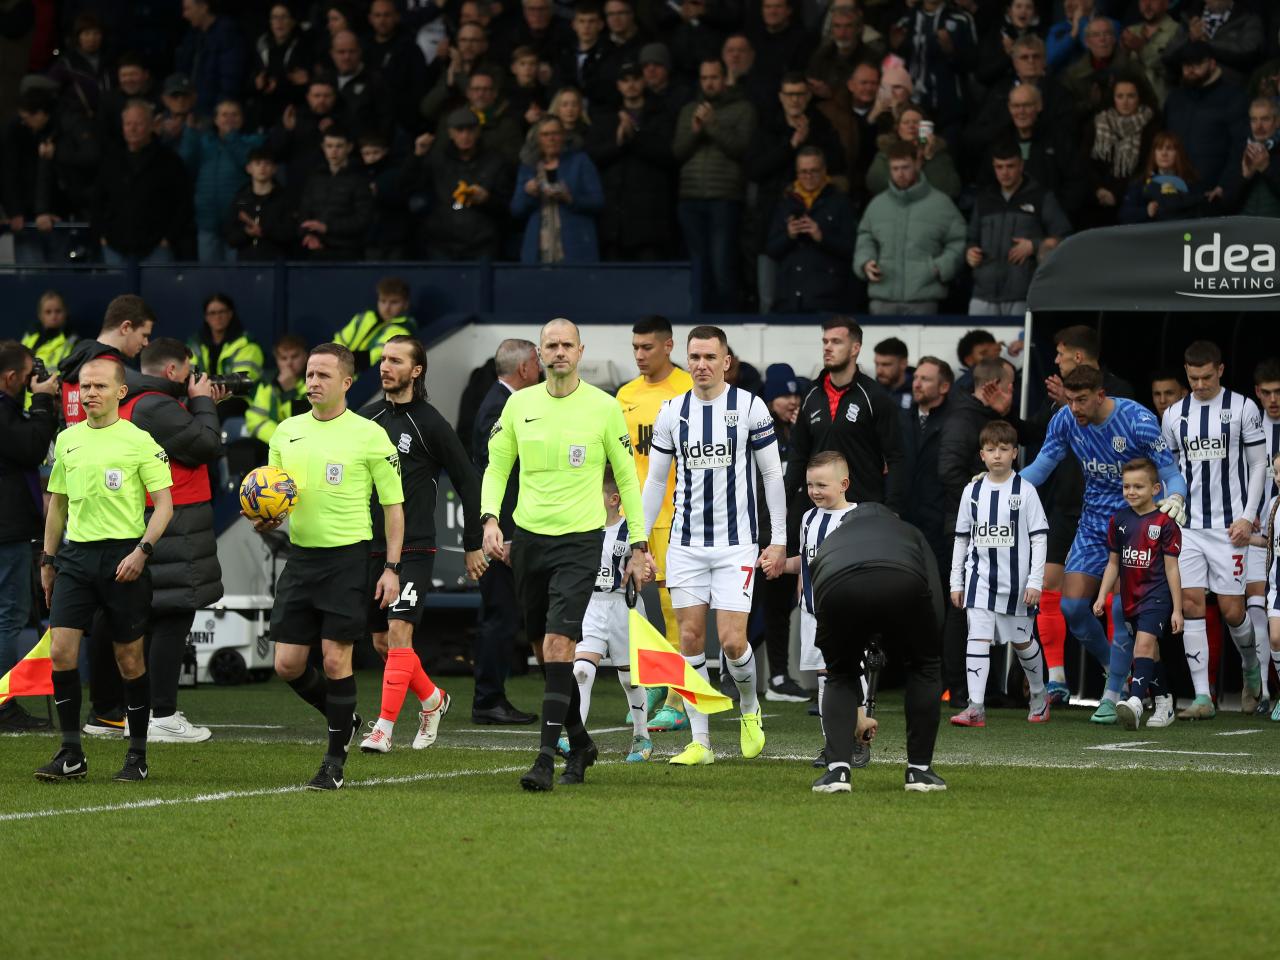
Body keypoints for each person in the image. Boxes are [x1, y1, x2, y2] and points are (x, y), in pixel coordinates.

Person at [480, 318, 650, 791]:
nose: (558, 353)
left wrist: (638, 546)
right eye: (550, 345)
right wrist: (490, 519)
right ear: (539, 353)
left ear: (580, 351)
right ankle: (581, 741)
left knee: (559, 647)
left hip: (580, 541)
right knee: (544, 651)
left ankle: (543, 760)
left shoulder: (603, 407)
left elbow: (628, 480)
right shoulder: (519, 405)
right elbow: (497, 467)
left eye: (566, 345)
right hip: (528, 540)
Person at [251, 343, 405, 791]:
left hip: (347, 559)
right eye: (310, 374)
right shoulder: (285, 433)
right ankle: (346, 719)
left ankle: (333, 763)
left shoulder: (369, 435)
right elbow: (273, 499)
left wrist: (391, 567)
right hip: (300, 558)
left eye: (322, 375)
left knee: (337, 658)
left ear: (346, 383)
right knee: (288, 664)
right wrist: (265, 518)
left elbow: (394, 507)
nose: (313, 382)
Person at [638, 324, 785, 767]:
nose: (701, 365)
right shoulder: (671, 412)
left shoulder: (750, 408)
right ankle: (701, 741)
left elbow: (772, 476)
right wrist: (638, 542)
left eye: (709, 357)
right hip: (684, 545)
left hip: (736, 544)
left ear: (726, 362)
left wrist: (778, 539)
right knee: (689, 638)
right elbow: (657, 481)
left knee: (733, 642)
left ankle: (748, 707)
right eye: (694, 357)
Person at [1019, 365, 1187, 723]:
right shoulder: (1065, 420)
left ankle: (1112, 694)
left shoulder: (1137, 420)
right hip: (1094, 524)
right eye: (1069, 399)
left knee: (1120, 611)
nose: (1074, 408)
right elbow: (1041, 466)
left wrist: (1176, 498)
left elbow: (1170, 472)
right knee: (1073, 607)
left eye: (1081, 400)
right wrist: (1000, 488)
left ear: (1100, 395)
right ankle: (1117, 667)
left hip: (1137, 525)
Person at [36, 356, 174, 782]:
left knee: (129, 659)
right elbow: (57, 504)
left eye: (99, 386)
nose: (90, 393)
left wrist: (142, 551)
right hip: (76, 559)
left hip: (124, 558)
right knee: (61, 652)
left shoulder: (139, 441)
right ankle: (71, 753)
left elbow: (165, 505)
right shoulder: (68, 440)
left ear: (120, 392)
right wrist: (48, 558)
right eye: (84, 387)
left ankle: (137, 756)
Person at [357, 336, 485, 753]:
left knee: (398, 633)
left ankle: (383, 729)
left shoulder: (430, 424)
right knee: (381, 642)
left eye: (395, 360)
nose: (384, 367)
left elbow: (469, 482)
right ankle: (432, 699)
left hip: (413, 547)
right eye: (382, 360)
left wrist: (472, 543)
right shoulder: (366, 419)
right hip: (369, 546)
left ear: (416, 371)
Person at [118, 338, 226, 743]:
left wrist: (210, 404)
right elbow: (206, 445)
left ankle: (135, 713)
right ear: (172, 371)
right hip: (172, 520)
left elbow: (186, 441)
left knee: (156, 616)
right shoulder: (154, 404)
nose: (191, 379)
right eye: (188, 371)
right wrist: (203, 403)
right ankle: (159, 713)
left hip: (155, 517)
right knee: (172, 616)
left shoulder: (139, 399)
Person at [808, 499, 947, 793]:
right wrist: (928, 650)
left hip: (838, 588)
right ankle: (919, 772)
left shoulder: (834, 536)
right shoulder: (909, 532)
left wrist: (836, 652)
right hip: (902, 579)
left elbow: (818, 591)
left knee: (840, 674)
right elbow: (934, 588)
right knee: (925, 666)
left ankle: (837, 773)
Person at [1161, 341, 1267, 720]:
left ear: (1220, 371)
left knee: (1232, 610)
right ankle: (1202, 697)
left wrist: (1247, 516)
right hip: (1189, 527)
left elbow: (1259, 466)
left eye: (1207, 376)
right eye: (1193, 378)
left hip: (1229, 528)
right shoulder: (1174, 414)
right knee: (1190, 604)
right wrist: (1171, 507)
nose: (1200, 383)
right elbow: (1169, 467)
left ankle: (1251, 667)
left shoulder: (1243, 408)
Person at [615, 316, 694, 733]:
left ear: (668, 346)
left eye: (647, 347)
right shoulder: (624, 395)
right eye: (635, 348)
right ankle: (660, 684)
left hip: (677, 518)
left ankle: (681, 701)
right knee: (639, 612)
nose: (640, 355)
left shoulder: (687, 389)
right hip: (635, 521)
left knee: (675, 611)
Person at [948, 420, 1050, 728]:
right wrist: (956, 581)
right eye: (991, 449)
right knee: (976, 638)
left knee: (1022, 642)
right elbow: (962, 538)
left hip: (1016, 584)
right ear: (981, 454)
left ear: (1015, 453)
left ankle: (1039, 695)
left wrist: (1035, 581)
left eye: (1003, 449)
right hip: (980, 580)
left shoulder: (1026, 491)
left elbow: (1039, 537)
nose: (997, 455)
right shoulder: (973, 491)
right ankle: (975, 707)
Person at [471, 338, 542, 726]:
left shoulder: (500, 403)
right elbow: (494, 475)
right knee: (499, 616)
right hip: (501, 536)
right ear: (526, 368)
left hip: (505, 531)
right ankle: (488, 699)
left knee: (504, 616)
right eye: (538, 363)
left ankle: (490, 697)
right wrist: (501, 531)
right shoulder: (499, 408)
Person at [566, 466, 654, 762]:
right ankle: (575, 736)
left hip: (623, 607)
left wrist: (647, 568)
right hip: (592, 605)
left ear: (614, 499)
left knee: (630, 679)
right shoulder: (583, 527)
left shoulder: (631, 530)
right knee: (581, 671)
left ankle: (642, 737)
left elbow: (646, 562)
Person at [786, 317, 907, 527]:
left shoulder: (874, 396)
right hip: (818, 510)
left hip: (864, 510)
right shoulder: (812, 394)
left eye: (836, 342)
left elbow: (896, 457)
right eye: (825, 342)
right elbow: (798, 454)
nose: (828, 348)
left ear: (855, 348)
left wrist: (893, 508)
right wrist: (783, 501)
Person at [1095, 458, 1183, 730]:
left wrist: (1177, 609)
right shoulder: (1119, 520)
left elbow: (1172, 569)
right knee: (1151, 653)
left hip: (1157, 598)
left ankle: (1134, 701)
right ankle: (1164, 702)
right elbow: (1113, 563)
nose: (1131, 492)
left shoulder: (1165, 523)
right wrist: (1101, 596)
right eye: (1126, 487)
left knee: (1142, 647)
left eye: (1138, 487)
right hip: (1130, 598)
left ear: (1156, 488)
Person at [782, 452, 857, 766]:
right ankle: (833, 745)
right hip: (813, 613)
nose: (814, 491)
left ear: (844, 484)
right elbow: (806, 561)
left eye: (821, 485)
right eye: (810, 484)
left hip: (846, 615)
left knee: (849, 678)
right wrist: (782, 565)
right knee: (825, 679)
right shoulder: (808, 518)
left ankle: (855, 739)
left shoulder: (857, 518)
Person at [0, 341, 59, 731]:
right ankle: (3, 706)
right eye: (26, 376)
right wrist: (42, 404)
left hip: (8, 528)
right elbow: (32, 447)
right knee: (9, 616)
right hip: (7, 530)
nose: (31, 381)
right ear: (10, 378)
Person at [673, 57, 758, 312]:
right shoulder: (689, 109)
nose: (709, 83)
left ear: (725, 78)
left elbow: (742, 148)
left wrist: (713, 125)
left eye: (714, 77)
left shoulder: (743, 108)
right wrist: (696, 131)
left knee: (722, 263)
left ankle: (727, 319)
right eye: (705, 78)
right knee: (698, 264)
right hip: (690, 196)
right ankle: (698, 317)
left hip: (725, 197)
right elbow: (678, 151)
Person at [853, 141, 966, 315]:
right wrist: (866, 262)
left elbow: (959, 241)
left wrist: (939, 267)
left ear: (918, 164)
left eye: (905, 167)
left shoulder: (941, 204)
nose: (900, 174)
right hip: (882, 297)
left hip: (924, 299)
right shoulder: (877, 205)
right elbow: (865, 238)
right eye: (895, 168)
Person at [965, 140, 1071, 317]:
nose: (1004, 172)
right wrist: (970, 252)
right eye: (999, 167)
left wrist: (1035, 245)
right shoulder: (984, 199)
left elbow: (1065, 238)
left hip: (1023, 295)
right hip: (983, 295)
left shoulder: (1041, 197)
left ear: (1021, 165)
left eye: (1010, 166)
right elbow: (971, 239)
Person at [585, 62, 678, 261]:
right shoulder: (606, 118)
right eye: (625, 80)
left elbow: (668, 154)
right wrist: (618, 144)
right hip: (614, 221)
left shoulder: (660, 115)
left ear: (644, 81)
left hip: (650, 219)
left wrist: (634, 137)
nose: (630, 85)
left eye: (635, 79)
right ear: (618, 85)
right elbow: (592, 156)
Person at [93, 100, 194, 265]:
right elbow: (97, 201)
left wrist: (169, 238)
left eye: (138, 124)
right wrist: (102, 235)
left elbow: (183, 203)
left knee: (158, 290)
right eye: (128, 124)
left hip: (157, 248)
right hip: (114, 246)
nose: (132, 129)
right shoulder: (111, 160)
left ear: (151, 125)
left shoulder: (169, 161)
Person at [765, 146, 855, 314]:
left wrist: (821, 237)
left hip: (827, 300)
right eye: (803, 172)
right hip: (789, 300)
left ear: (824, 171)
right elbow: (771, 249)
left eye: (814, 171)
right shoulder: (785, 203)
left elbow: (851, 248)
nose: (808, 177)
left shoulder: (840, 202)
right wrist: (789, 235)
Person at [177, 99, 265, 263]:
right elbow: (183, 164)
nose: (229, 119)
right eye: (224, 115)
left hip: (238, 222)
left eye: (234, 114)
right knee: (209, 277)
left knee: (235, 277)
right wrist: (189, 133)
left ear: (242, 119)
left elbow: (248, 162)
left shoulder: (252, 142)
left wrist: (231, 137)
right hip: (207, 220)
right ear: (216, 120)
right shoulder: (204, 142)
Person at [511, 115, 605, 263]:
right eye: (545, 134)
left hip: (576, 246)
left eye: (555, 133)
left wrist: (570, 199)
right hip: (538, 249)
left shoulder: (580, 161)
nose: (551, 138)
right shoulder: (528, 167)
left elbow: (598, 202)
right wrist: (528, 194)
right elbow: (516, 210)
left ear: (563, 136)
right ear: (538, 139)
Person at [1163, 42, 1249, 195]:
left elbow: (1240, 146)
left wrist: (1225, 185)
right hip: (1173, 189)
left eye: (1196, 63)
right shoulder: (1174, 98)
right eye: (1186, 64)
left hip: (1212, 192)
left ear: (1212, 63)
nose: (1190, 70)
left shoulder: (1233, 97)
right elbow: (1163, 140)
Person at [1084, 78, 1158, 229]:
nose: (1125, 102)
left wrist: (1117, 194)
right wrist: (1098, 189)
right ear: (1113, 98)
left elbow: (1147, 166)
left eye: (1131, 96)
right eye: (1120, 96)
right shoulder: (1098, 122)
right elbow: (1085, 162)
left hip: (1135, 200)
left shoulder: (1152, 127)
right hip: (1098, 199)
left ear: (1139, 98)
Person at [297, 124, 374, 260]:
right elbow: (304, 212)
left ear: (349, 148)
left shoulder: (359, 179)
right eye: (329, 146)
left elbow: (363, 219)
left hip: (348, 253)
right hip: (316, 251)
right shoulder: (315, 178)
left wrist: (327, 228)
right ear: (323, 147)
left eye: (339, 146)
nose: (334, 151)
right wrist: (307, 235)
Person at [864, 104, 962, 201]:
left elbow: (950, 190)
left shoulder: (938, 154)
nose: (911, 126)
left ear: (926, 128)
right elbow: (875, 182)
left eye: (916, 122)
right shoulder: (886, 152)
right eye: (906, 122)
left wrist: (929, 157)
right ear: (898, 129)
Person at [175, 0, 246, 118]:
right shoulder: (193, 35)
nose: (184, 15)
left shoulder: (226, 33)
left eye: (188, 9)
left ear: (203, 7)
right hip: (195, 109)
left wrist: (218, 112)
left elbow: (230, 78)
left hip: (213, 112)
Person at [334, 277, 417, 374]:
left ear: (405, 304)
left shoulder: (404, 329)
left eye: (394, 302)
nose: (387, 308)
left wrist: (338, 361)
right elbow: (338, 342)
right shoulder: (364, 317)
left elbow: (375, 358)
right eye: (383, 301)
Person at [1119, 131, 1205, 224]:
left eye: (1169, 149)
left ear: (1178, 153)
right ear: (1154, 153)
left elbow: (1200, 214)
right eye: (1159, 148)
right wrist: (1146, 211)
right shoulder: (1140, 183)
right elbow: (1124, 215)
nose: (1164, 153)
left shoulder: (1191, 181)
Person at [226, 148, 296, 261]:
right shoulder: (241, 200)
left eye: (267, 164)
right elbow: (230, 237)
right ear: (249, 168)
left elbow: (290, 234)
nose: (262, 168)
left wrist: (264, 230)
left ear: (274, 169)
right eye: (258, 163)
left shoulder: (284, 199)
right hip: (246, 265)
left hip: (275, 264)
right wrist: (246, 233)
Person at [246, 334, 310, 448]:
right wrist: (281, 440)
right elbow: (254, 421)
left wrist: (289, 392)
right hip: (275, 445)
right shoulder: (267, 383)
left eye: (294, 356)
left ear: (305, 356)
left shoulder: (315, 384)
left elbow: (303, 429)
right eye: (283, 358)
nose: (289, 363)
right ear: (277, 360)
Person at [1254, 450, 1280, 722]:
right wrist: (1246, 538)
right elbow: (1267, 542)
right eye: (1277, 472)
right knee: (1275, 639)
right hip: (1277, 584)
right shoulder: (1273, 504)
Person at [1221, 98, 1280, 218]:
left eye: (1265, 119)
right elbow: (1226, 205)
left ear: (1277, 121)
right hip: (1244, 231)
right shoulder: (1240, 150)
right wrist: (1245, 177)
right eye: (1254, 120)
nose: (1258, 126)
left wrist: (1266, 168)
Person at [189, 293, 265, 385]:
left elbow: (241, 382)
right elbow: (189, 378)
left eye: (222, 312)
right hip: (204, 396)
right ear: (206, 317)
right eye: (212, 313)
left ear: (230, 314)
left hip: (239, 398)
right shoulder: (195, 345)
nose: (217, 317)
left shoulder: (246, 344)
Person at [21, 292, 80, 401]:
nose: (53, 316)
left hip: (55, 403)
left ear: (66, 313)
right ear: (40, 316)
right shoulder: (29, 337)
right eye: (48, 312)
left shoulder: (73, 341)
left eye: (58, 311)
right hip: (27, 403)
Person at [1122, 0, 1178, 107]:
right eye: (1143, 1)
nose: (1147, 5)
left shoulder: (1178, 31)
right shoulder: (1130, 31)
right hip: (1131, 108)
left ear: (1166, 3)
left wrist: (1142, 49)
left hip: (1163, 106)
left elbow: (1173, 72)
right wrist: (1123, 54)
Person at [873, 337, 913, 411]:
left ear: (903, 364)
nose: (879, 371)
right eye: (877, 364)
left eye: (886, 365)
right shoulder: (870, 392)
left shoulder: (919, 392)